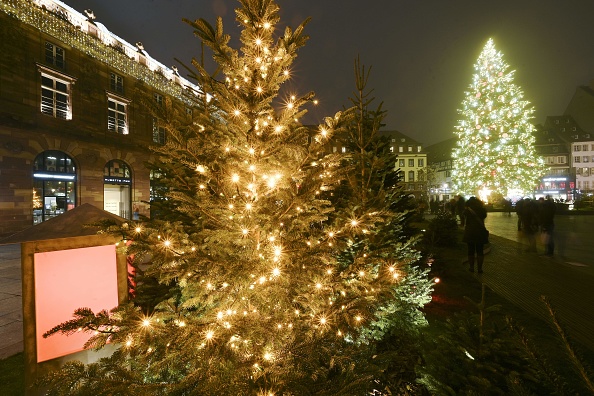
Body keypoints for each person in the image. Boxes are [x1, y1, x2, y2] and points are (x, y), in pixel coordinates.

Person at [463, 196, 488, 273]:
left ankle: (471, 267)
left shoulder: (467, 210)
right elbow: (484, 216)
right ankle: (480, 268)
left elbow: (464, 216)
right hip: (480, 231)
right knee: (480, 250)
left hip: (470, 231)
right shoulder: (482, 210)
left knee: (471, 250)